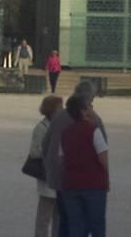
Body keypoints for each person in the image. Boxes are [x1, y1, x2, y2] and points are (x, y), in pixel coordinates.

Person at [58, 91, 109, 237]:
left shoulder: (65, 133)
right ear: (83, 111)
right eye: (89, 106)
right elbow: (103, 160)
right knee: (97, 226)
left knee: (76, 227)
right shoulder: (94, 131)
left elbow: (62, 160)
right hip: (94, 186)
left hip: (71, 185)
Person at [29, 95, 62, 237]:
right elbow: (34, 152)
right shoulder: (40, 128)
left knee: (59, 218)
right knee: (44, 217)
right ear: (52, 110)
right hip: (47, 178)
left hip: (60, 178)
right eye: (60, 108)